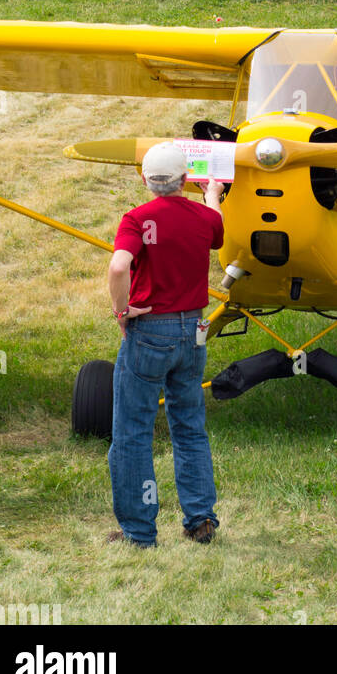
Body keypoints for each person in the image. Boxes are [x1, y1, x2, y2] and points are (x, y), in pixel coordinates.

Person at [106, 143, 225, 548]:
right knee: (189, 427)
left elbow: (119, 266)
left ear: (145, 180)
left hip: (149, 332)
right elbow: (214, 225)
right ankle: (200, 519)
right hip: (194, 331)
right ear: (185, 179)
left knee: (133, 431)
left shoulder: (137, 219)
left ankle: (139, 532)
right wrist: (212, 196)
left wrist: (122, 313)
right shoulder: (205, 216)